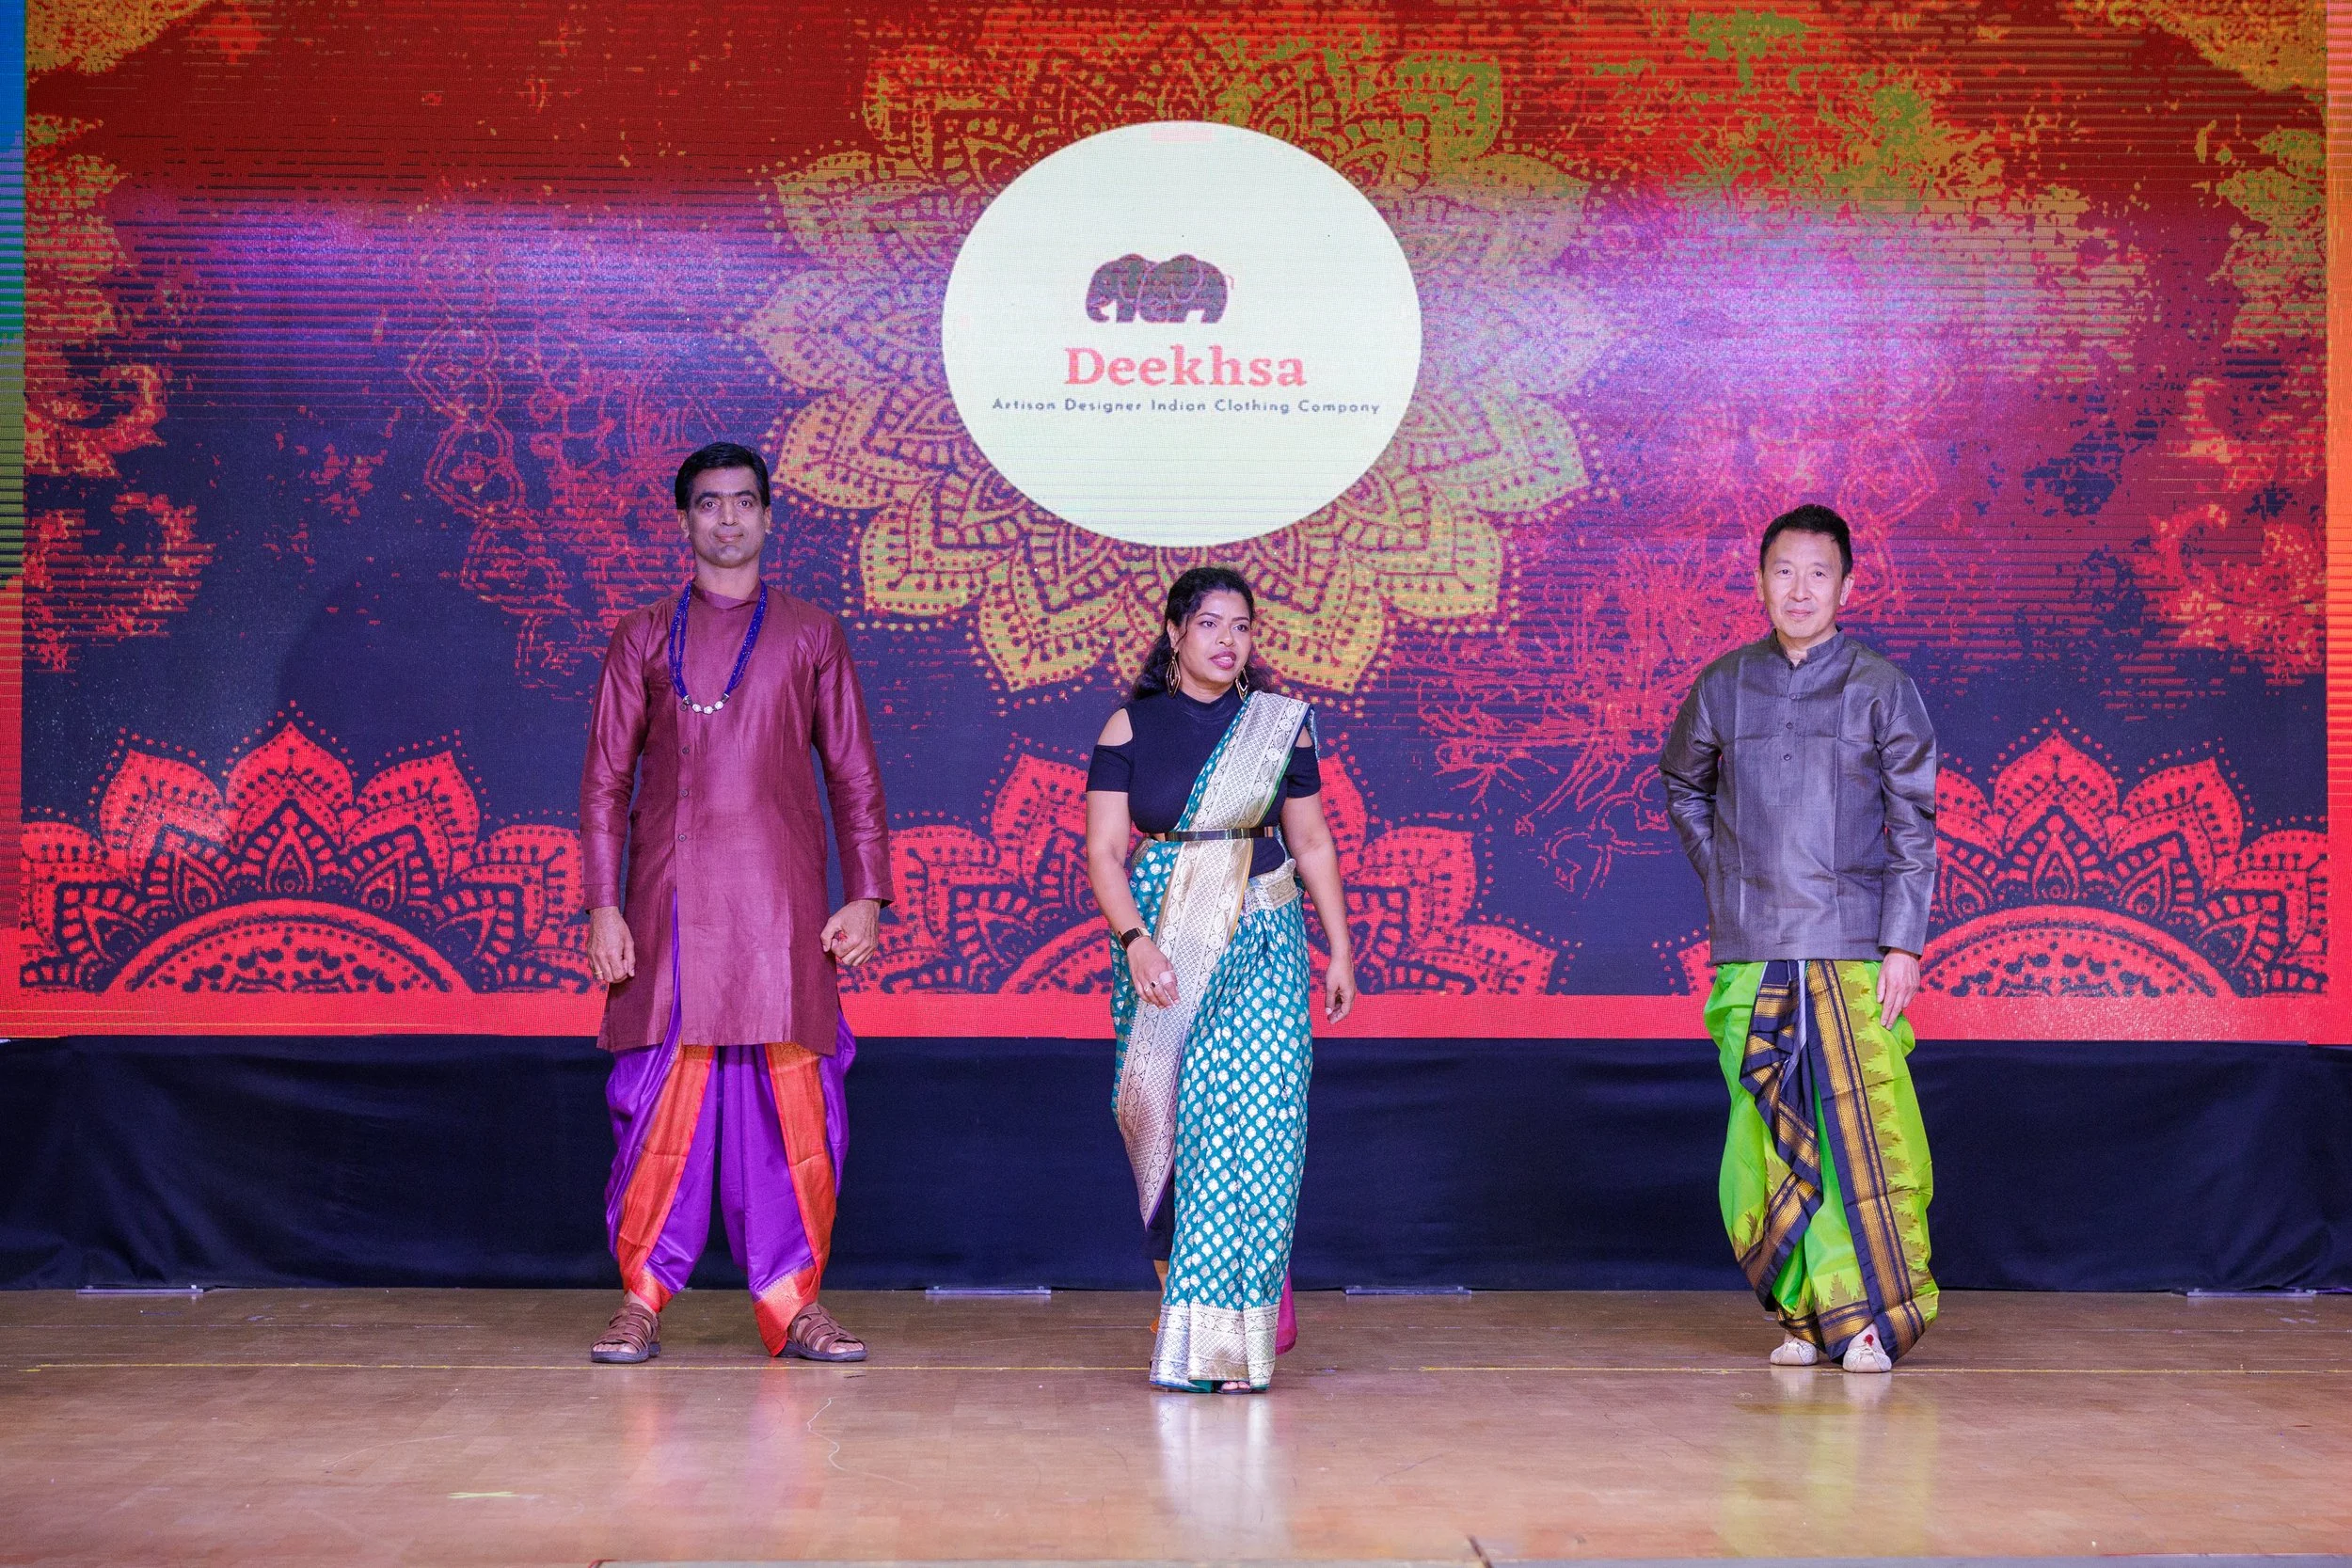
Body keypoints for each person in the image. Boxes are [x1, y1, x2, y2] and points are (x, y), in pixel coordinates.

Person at [578, 440, 892, 1366]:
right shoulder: (640, 635)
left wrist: (866, 892)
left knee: (793, 1116)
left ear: (767, 517)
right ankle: (639, 1297)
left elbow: (854, 774)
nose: (725, 518)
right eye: (707, 503)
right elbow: (603, 783)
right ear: (684, 521)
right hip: (668, 912)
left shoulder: (810, 632)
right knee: (655, 1106)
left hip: (784, 914)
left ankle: (796, 1303)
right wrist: (604, 905)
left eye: (742, 502)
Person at [1659, 503, 1939, 1374]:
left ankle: (1870, 1319)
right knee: (1765, 1132)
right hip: (1754, 944)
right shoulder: (1723, 683)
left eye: (1819, 573)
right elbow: (1684, 785)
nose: (1801, 589)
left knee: (1859, 1129)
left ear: (1847, 586)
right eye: (1784, 571)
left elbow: (1915, 823)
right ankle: (1810, 1314)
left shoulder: (1880, 685)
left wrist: (1904, 943)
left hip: (1854, 943)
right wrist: (1728, 876)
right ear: (1760, 582)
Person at [1084, 566, 1358, 1393]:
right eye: (1209, 623)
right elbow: (1103, 852)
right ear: (1175, 631)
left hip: (1267, 935)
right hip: (1165, 939)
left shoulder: (1280, 727)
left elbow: (1311, 844)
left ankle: (1239, 1349)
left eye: (1241, 625)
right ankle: (1198, 1332)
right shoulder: (1130, 728)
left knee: (1261, 1130)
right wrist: (1135, 940)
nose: (1227, 639)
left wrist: (1339, 950)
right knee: (1179, 1127)